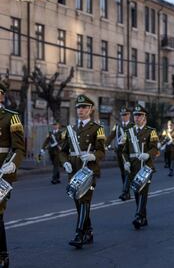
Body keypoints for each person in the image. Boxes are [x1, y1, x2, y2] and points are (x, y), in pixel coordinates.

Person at [59, 95, 106, 249]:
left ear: (90, 109)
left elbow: (102, 150)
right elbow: (62, 151)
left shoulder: (97, 128)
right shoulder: (70, 129)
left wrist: (94, 155)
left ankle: (79, 234)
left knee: (85, 201)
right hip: (73, 170)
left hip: (88, 169)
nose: (81, 110)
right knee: (78, 202)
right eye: (79, 107)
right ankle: (89, 231)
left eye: (84, 107)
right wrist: (65, 161)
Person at [0, 83, 25, 267]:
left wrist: (12, 164)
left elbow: (19, 148)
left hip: (2, 170)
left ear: (1, 96)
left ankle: (2, 254)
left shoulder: (12, 117)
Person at [122, 105, 159, 229]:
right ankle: (143, 217)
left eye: (140, 115)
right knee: (136, 192)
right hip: (133, 166)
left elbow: (155, 148)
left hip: (146, 165)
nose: (137, 118)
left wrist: (147, 154)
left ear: (144, 117)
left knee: (143, 191)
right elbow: (124, 151)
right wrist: (126, 162)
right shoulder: (129, 132)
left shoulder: (151, 131)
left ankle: (138, 216)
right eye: (135, 115)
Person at [105, 106, 134, 200]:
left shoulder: (133, 126)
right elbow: (111, 136)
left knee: (127, 172)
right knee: (122, 172)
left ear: (129, 115)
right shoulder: (117, 126)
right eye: (122, 115)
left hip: (129, 153)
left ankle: (125, 192)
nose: (123, 117)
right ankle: (127, 192)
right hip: (119, 152)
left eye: (125, 115)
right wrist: (105, 145)